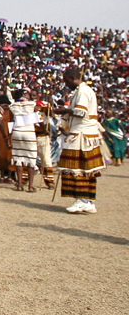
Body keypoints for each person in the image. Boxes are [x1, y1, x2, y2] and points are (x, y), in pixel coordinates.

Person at [55, 68, 105, 214]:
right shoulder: (80, 91)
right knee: (85, 168)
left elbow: (80, 112)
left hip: (82, 135)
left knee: (78, 167)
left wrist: (64, 111)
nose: (66, 84)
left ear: (73, 78)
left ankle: (83, 200)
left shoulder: (83, 91)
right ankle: (87, 200)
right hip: (83, 133)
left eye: (66, 81)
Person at [8, 88, 39, 192]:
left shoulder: (13, 106)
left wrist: (10, 135)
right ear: (25, 95)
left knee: (18, 159)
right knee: (31, 159)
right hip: (29, 132)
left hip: (17, 132)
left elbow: (11, 121)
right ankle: (30, 186)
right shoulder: (32, 104)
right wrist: (45, 130)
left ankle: (20, 185)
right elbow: (39, 119)